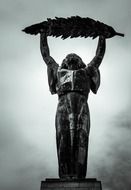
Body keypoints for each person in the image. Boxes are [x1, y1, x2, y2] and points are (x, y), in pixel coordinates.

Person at [40, 31, 106, 179]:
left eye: (75, 57)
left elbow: (98, 56)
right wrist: (43, 35)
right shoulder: (58, 71)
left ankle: (78, 173)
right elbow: (46, 57)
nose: (71, 58)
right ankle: (65, 174)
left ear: (80, 61)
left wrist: (102, 35)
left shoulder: (87, 71)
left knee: (80, 138)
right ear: (65, 62)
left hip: (81, 104)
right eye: (69, 57)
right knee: (63, 137)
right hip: (63, 104)